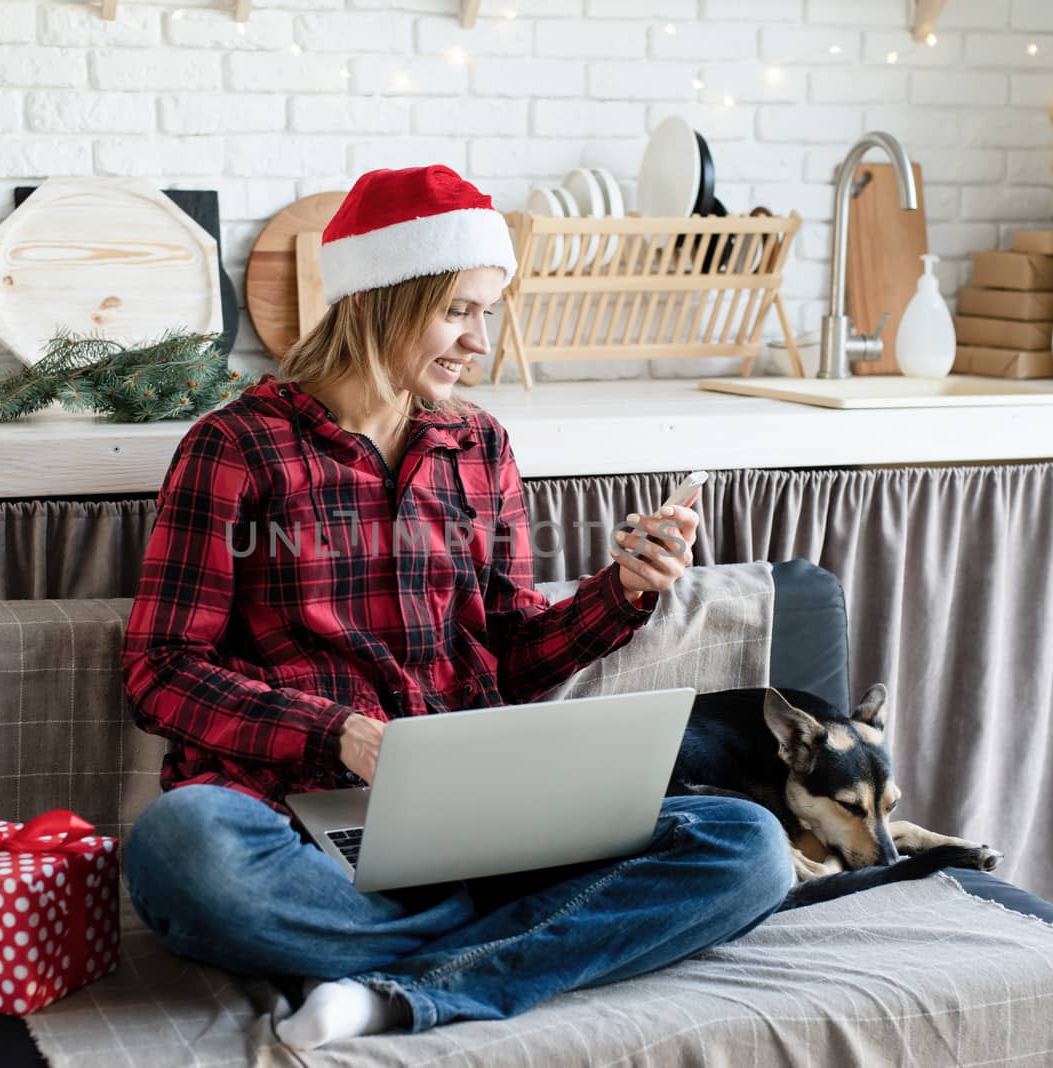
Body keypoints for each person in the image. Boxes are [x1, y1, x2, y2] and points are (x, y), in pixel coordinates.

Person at [121, 164, 795, 1050]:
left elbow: (514, 651)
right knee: (182, 849)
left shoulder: (480, 445)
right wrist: (341, 736)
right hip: (303, 826)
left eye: (488, 311)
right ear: (377, 302)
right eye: (458, 312)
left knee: (750, 847)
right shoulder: (237, 446)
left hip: (480, 820)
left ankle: (398, 989)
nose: (481, 340)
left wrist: (622, 593)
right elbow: (161, 672)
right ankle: (522, 940)